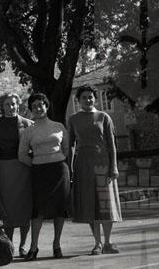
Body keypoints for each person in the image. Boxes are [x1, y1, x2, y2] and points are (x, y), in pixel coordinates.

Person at [68, 84, 122, 255]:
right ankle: (97, 243)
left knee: (106, 205)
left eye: (90, 97)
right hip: (83, 166)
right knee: (90, 204)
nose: (87, 100)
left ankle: (108, 242)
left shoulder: (104, 117)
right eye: (84, 97)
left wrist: (114, 166)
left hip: (103, 165)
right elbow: (70, 145)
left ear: (95, 98)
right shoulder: (73, 119)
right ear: (78, 100)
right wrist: (70, 167)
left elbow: (112, 144)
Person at [18, 93, 70, 260]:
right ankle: (33, 247)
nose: (38, 108)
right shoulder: (28, 131)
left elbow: (66, 149)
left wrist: (55, 159)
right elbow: (22, 154)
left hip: (59, 171)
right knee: (38, 210)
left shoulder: (59, 126)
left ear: (46, 107)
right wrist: (36, 163)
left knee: (60, 209)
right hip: (39, 172)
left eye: (41, 105)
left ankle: (57, 245)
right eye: (34, 106)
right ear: (31, 109)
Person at [0, 92, 33, 256]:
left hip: (24, 168)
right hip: (5, 169)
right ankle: (10, 244)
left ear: (18, 105)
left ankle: (23, 245)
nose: (11, 107)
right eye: (7, 104)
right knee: (8, 209)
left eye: (13, 103)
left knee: (25, 207)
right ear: (2, 106)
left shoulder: (28, 124)